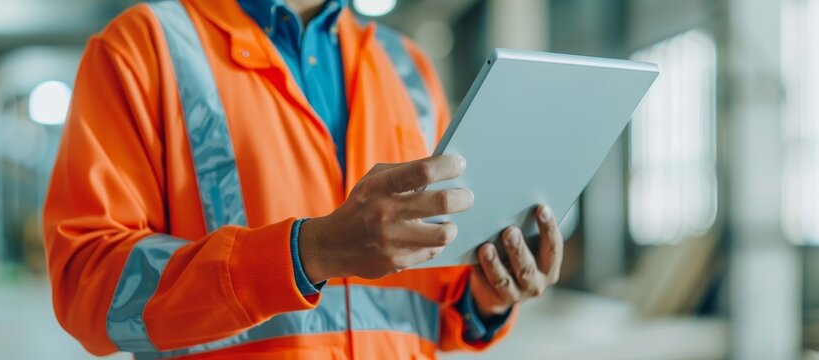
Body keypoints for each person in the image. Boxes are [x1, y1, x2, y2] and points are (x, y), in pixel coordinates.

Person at [43, 0, 565, 358]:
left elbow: (429, 301)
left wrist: (488, 293)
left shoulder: (408, 68)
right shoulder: (143, 49)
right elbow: (86, 286)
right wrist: (305, 253)